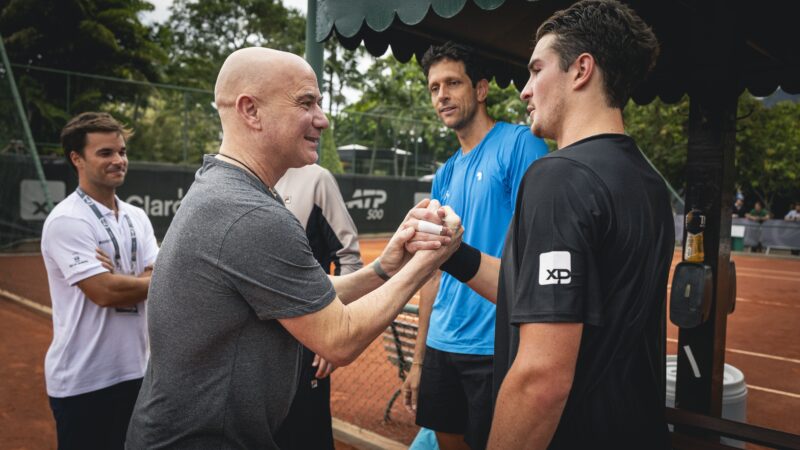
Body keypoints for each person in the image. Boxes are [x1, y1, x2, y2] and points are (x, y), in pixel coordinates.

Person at [125, 47, 461, 449]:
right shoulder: (250, 213)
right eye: (306, 102)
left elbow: (299, 296)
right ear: (251, 111)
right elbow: (340, 338)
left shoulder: (223, 189)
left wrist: (384, 267)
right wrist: (431, 258)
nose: (323, 118)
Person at [410, 1, 673, 448]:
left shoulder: (558, 176)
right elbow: (526, 290)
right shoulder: (649, 181)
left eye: (536, 70)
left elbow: (541, 379)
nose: (526, 90)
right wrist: (454, 251)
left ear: (581, 70)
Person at [401, 41, 547, 450]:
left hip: (494, 346)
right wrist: (419, 358)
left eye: (452, 83)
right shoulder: (445, 173)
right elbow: (432, 271)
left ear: (481, 89)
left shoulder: (521, 146)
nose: (442, 95)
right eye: (433, 88)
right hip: (441, 344)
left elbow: (537, 251)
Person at [40, 112, 158, 450]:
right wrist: (136, 281)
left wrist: (121, 280)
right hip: (84, 382)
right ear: (76, 158)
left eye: (121, 151)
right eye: (105, 153)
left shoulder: (137, 216)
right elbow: (104, 293)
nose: (118, 160)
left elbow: (147, 278)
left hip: (138, 374)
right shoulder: (67, 220)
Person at [274, 163, 363, 450]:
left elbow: (349, 258)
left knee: (307, 435)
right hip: (253, 350)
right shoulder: (244, 177)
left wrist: (331, 329)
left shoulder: (316, 179)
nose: (317, 122)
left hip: (305, 343)